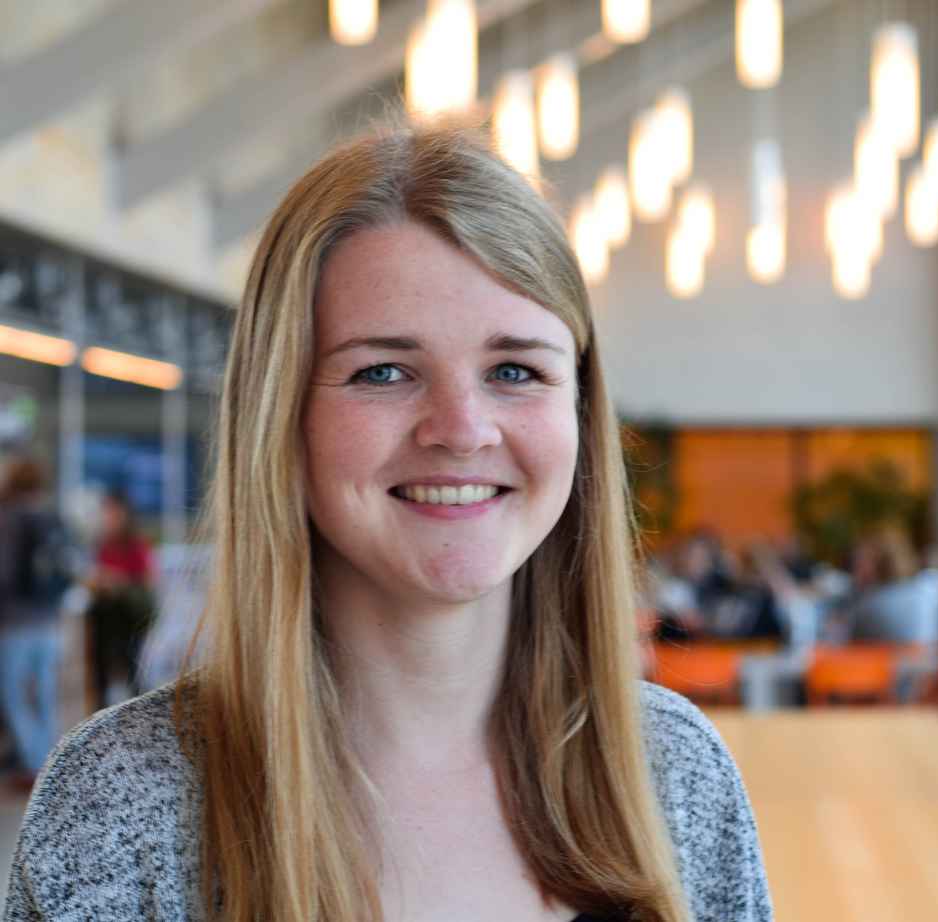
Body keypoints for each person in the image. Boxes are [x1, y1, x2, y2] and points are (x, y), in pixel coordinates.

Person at [4, 124, 772, 921]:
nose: (462, 428)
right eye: (384, 371)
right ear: (282, 415)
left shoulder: (675, 774)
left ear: (578, 408)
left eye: (516, 369)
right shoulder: (125, 805)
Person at [0, 457, 72, 792]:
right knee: (45, 695)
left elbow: (5, 572)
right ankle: (48, 762)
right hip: (50, 619)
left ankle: (32, 763)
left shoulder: (9, 519)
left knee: (14, 696)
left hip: (15, 622)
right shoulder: (52, 517)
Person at [86, 490, 156, 708]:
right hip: (104, 616)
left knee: (132, 671)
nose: (108, 517)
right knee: (100, 673)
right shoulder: (102, 543)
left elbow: (147, 582)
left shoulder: (136, 543)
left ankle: (139, 713)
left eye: (113, 512)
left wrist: (118, 582)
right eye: (106, 512)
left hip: (129, 618)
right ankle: (100, 714)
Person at [834, 526, 938, 645]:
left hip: (881, 662)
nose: (855, 572)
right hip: (929, 662)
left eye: (860, 563)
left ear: (879, 564)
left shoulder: (870, 608)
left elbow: (846, 646)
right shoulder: (927, 590)